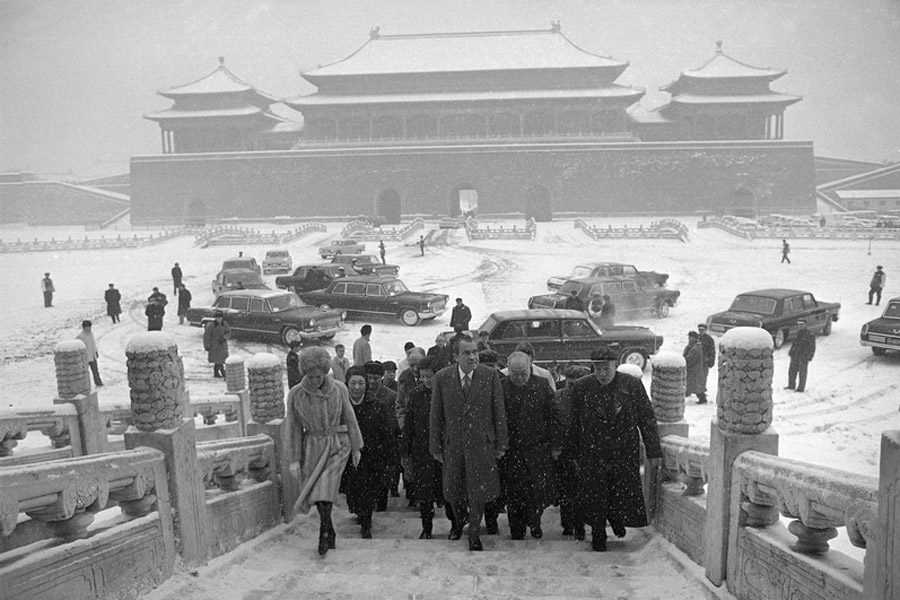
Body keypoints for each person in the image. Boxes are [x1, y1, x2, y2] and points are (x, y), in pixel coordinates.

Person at [566, 346, 662, 551]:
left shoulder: (631, 385)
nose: (602, 373)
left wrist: (654, 450)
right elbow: (573, 422)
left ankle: (618, 519)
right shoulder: (583, 387)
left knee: (621, 491)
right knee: (595, 493)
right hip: (593, 451)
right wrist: (572, 452)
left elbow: (646, 419)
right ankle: (598, 532)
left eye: (606, 368)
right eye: (597, 368)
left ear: (616, 366)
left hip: (623, 450)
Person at [430, 336, 508, 551]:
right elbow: (436, 414)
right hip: (453, 444)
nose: (473, 356)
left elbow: (498, 411)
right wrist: (435, 446)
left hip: (482, 445)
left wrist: (501, 444)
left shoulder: (490, 376)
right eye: (467, 353)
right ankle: (458, 521)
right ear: (455, 356)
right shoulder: (442, 378)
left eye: (475, 352)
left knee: (478, 491)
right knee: (453, 491)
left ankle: (474, 531)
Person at [286, 346, 363, 555]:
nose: (314, 380)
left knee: (325, 489)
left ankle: (324, 531)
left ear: (325, 372)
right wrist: (294, 459)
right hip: (312, 445)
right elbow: (292, 427)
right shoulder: (296, 394)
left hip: (337, 444)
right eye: (310, 376)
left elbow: (350, 419)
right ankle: (328, 526)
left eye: (318, 376)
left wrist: (356, 447)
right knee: (316, 492)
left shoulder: (339, 388)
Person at [497, 351, 561, 540]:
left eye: (523, 372)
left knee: (536, 492)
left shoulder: (541, 386)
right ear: (508, 370)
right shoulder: (501, 388)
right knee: (514, 494)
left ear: (530, 367)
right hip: (511, 452)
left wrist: (556, 444)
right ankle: (517, 529)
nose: (519, 377)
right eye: (515, 373)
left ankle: (534, 521)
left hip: (536, 450)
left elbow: (554, 416)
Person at [340, 365, 397, 539]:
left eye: (361, 383)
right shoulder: (340, 407)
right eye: (353, 383)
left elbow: (387, 434)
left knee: (368, 492)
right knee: (353, 493)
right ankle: (359, 512)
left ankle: (366, 523)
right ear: (346, 384)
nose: (357, 388)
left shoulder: (377, 406)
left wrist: (390, 460)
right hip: (347, 458)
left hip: (372, 458)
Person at [403, 356, 454, 538]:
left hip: (446, 453)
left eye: (429, 376)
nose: (425, 381)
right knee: (424, 494)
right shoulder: (416, 395)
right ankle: (427, 527)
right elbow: (409, 426)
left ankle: (455, 525)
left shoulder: (450, 393)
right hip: (422, 453)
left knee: (448, 492)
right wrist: (406, 453)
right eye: (422, 377)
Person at [554, 364, 590, 535]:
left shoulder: (591, 398)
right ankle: (568, 524)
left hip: (586, 450)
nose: (574, 389)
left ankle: (580, 525)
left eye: (578, 385)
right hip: (564, 451)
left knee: (583, 491)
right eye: (570, 384)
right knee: (567, 491)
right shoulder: (557, 398)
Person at [364, 361, 399, 511]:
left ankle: (380, 506)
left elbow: (392, 422)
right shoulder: (361, 393)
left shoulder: (390, 396)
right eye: (369, 378)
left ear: (381, 377)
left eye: (375, 378)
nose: (372, 382)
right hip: (364, 444)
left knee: (382, 480)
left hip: (383, 444)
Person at [786, 319, 816, 392]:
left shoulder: (809, 335)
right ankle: (791, 385)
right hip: (795, 355)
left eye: (802, 325)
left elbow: (812, 347)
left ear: (805, 325)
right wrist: (791, 352)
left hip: (803, 356)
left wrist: (808, 356)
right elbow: (794, 344)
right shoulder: (797, 334)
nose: (800, 326)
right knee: (792, 371)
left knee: (802, 373)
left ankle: (801, 388)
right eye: (799, 325)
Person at [203, 311, 231, 378]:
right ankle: (222, 372)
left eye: (220, 317)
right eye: (217, 318)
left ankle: (217, 372)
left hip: (222, 345)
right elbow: (207, 336)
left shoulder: (225, 324)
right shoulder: (211, 325)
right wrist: (207, 345)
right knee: (218, 360)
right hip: (214, 345)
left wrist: (224, 338)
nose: (219, 319)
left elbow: (228, 332)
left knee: (220, 359)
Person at [76, 320, 103, 386]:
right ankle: (85, 385)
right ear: (84, 327)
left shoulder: (91, 334)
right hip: (85, 357)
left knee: (95, 370)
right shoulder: (80, 336)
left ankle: (98, 382)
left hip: (92, 356)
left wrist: (95, 351)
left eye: (90, 327)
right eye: (88, 327)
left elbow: (93, 344)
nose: (89, 328)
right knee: (85, 372)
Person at [683, 331, 708, 404]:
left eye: (691, 337)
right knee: (694, 386)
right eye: (689, 337)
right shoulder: (692, 346)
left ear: (694, 338)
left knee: (697, 387)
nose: (689, 339)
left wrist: (684, 360)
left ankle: (703, 399)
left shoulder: (696, 348)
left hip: (695, 371)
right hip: (692, 370)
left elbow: (690, 359)